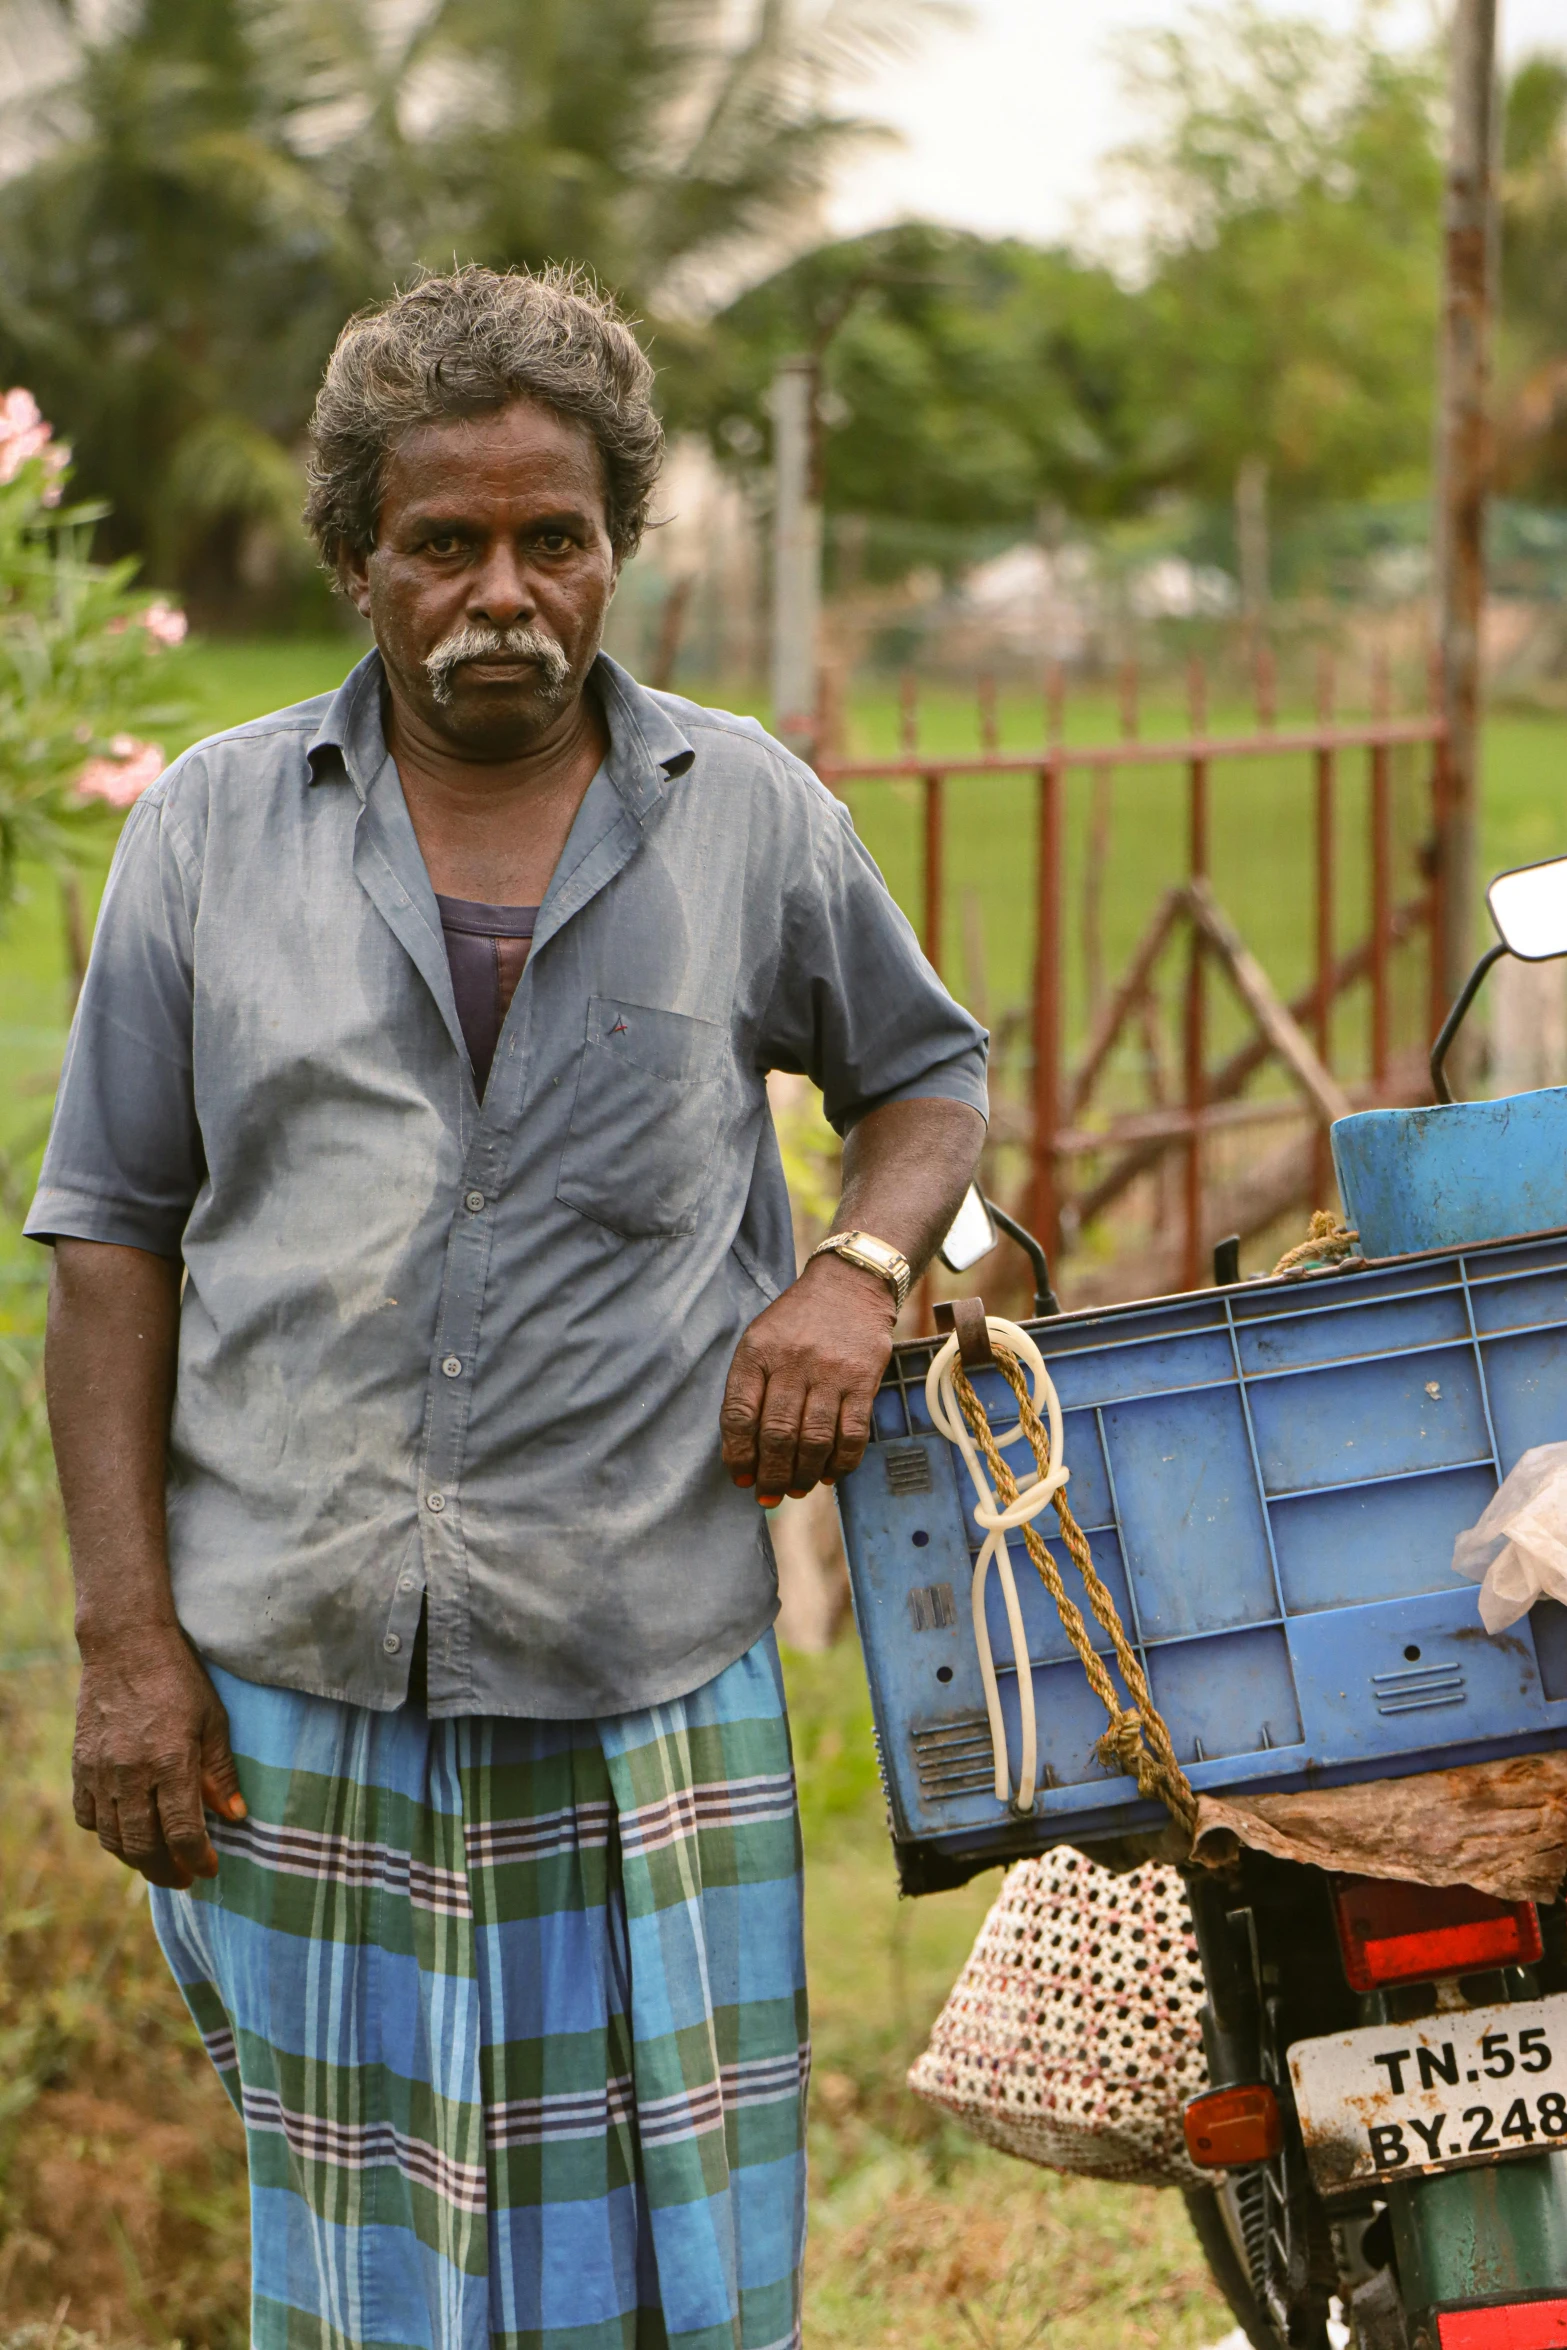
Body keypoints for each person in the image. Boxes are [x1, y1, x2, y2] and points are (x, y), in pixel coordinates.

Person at [29, 264, 987, 2350]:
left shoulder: (745, 811)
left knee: (672, 2276)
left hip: (642, 1664)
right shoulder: (205, 835)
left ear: (616, 548)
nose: (504, 591)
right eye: (444, 540)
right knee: (376, 2277)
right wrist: (125, 1645)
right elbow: (111, 1247)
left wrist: (856, 1265)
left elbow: (927, 1078)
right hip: (303, 1683)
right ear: (359, 557)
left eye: (554, 538)